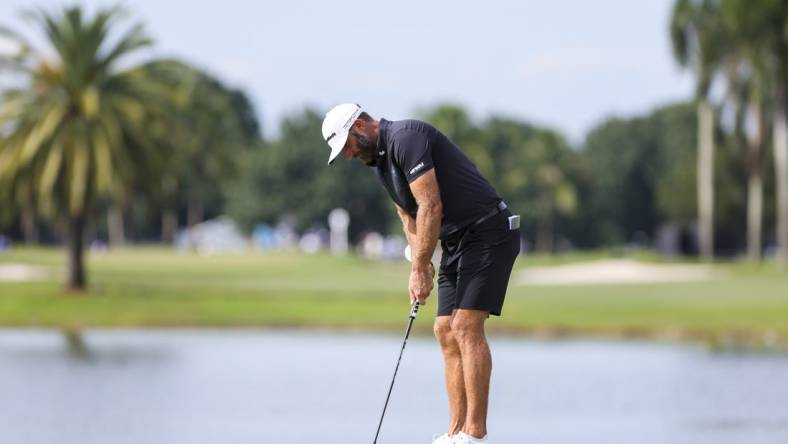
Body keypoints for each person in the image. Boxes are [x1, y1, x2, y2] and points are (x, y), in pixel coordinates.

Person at [322, 104, 520, 444]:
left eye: (348, 146)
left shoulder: (406, 138)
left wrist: (419, 269)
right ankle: (455, 431)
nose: (350, 155)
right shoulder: (381, 165)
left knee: (465, 326)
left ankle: (474, 433)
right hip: (457, 241)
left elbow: (431, 205)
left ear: (359, 126)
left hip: (489, 231)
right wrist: (421, 262)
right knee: (444, 329)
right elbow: (408, 216)